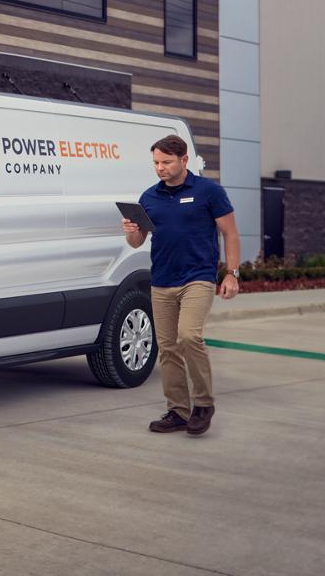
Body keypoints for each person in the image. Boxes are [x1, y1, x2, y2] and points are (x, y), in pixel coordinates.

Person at [122, 135, 239, 436]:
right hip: (161, 280)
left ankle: (203, 404)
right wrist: (131, 231)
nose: (160, 168)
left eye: (166, 162)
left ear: (184, 160)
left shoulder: (209, 192)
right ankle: (178, 411)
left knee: (188, 337)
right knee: (168, 348)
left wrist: (232, 273)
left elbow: (231, 233)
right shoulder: (149, 197)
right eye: (156, 163)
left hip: (197, 277)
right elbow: (137, 242)